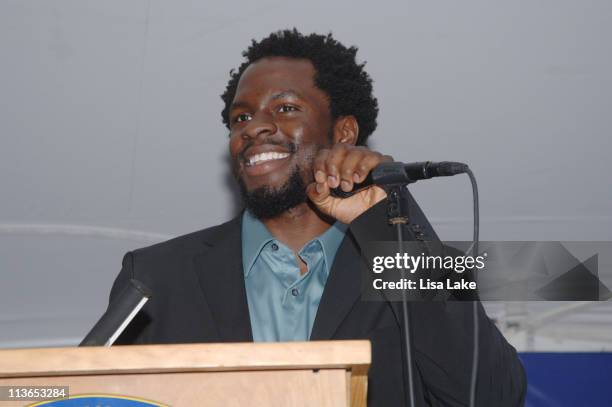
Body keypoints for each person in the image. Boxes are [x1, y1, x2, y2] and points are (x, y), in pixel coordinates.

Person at [109, 29, 526, 406]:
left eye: (286, 107)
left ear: (343, 133)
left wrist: (385, 220)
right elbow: (81, 394)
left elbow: (492, 397)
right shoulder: (157, 276)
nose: (253, 128)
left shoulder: (412, 268)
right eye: (241, 118)